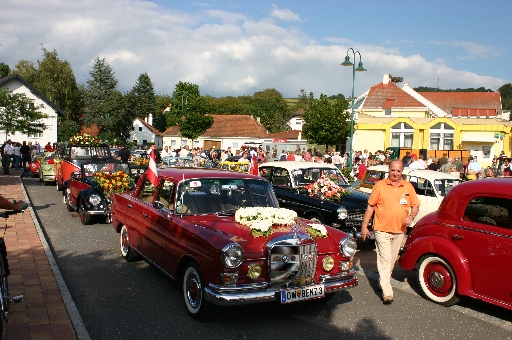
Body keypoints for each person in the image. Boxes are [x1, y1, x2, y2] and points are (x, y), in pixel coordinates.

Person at [360, 159, 420, 305]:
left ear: (402, 172)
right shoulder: (380, 186)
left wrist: (411, 216)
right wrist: (364, 226)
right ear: (389, 170)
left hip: (399, 230)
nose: (395, 173)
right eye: (393, 170)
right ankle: (387, 292)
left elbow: (415, 206)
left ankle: (383, 282)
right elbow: (370, 208)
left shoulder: (408, 187)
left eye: (398, 171)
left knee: (391, 260)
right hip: (381, 228)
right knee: (385, 258)